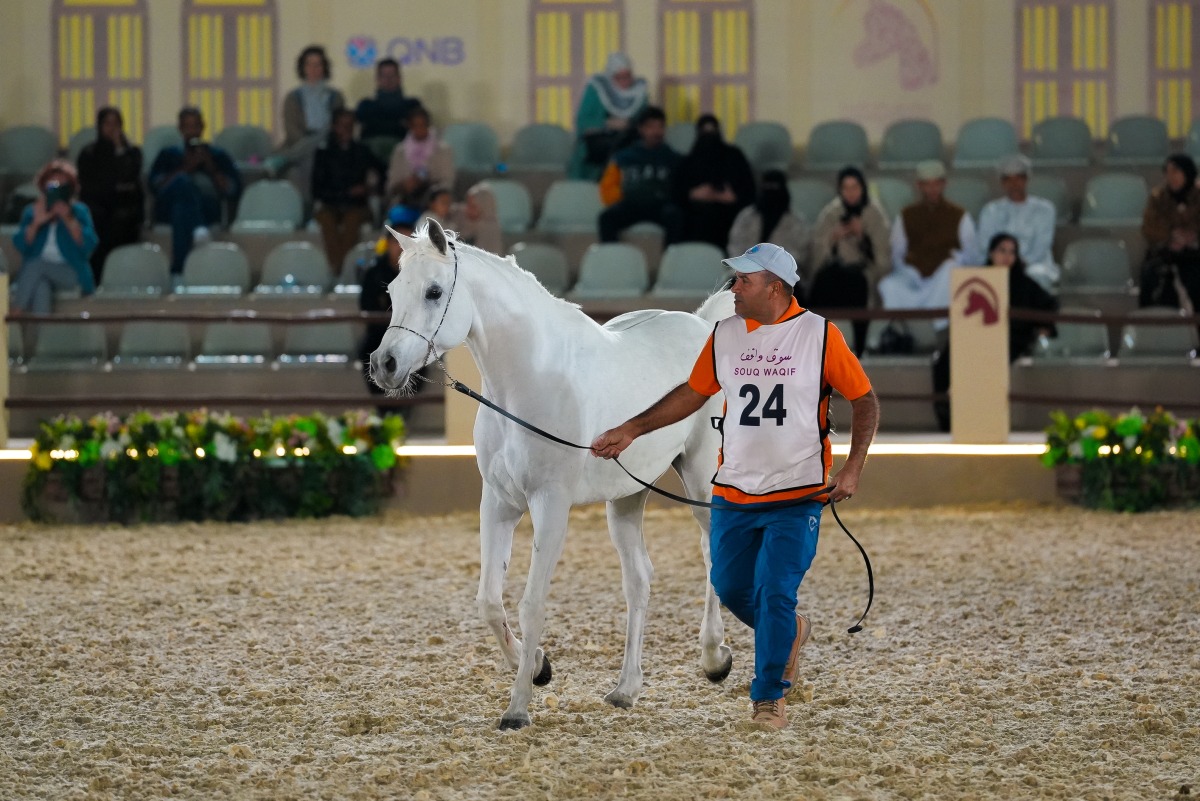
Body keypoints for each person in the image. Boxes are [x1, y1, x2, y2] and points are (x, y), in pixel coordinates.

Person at [590, 243, 879, 731]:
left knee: (775, 593)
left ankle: (768, 697)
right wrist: (632, 429)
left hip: (797, 494)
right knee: (729, 586)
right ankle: (790, 634)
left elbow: (865, 400)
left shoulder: (821, 336)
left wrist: (853, 468)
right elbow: (692, 393)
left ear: (776, 286)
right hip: (733, 492)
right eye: (734, 279)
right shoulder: (724, 335)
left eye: (744, 280)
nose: (733, 288)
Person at [931, 233, 1058, 431]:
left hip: (1011, 338)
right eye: (1002, 250)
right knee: (943, 363)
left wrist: (1044, 327)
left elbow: (1049, 304)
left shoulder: (1024, 283)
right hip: (972, 336)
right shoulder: (976, 279)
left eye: (1012, 252)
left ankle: (984, 421)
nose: (1007, 256)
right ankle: (948, 420)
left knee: (987, 363)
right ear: (991, 253)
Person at [809, 166, 892, 355]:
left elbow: (883, 258)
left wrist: (863, 236)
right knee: (821, 284)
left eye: (855, 187)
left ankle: (860, 349)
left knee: (856, 284)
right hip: (835, 271)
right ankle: (817, 349)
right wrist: (833, 239)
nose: (851, 193)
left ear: (863, 188)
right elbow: (817, 254)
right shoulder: (830, 214)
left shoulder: (875, 213)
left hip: (863, 272)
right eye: (846, 188)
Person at [148, 107, 241, 274]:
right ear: (180, 129)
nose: (192, 132)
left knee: (181, 211)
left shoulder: (217, 155)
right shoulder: (167, 155)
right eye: (187, 127)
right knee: (182, 187)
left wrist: (211, 168)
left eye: (196, 126)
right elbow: (156, 187)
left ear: (202, 127)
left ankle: (178, 271)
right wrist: (186, 168)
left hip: (207, 208)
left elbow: (232, 190)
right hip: (168, 209)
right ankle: (198, 228)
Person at [879, 159, 978, 314]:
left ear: (944, 184)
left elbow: (971, 256)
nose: (932, 189)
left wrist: (953, 260)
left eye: (936, 184)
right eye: (927, 184)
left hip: (944, 278)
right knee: (888, 286)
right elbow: (897, 254)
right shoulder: (906, 216)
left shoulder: (960, 216)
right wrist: (911, 272)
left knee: (950, 270)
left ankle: (934, 326)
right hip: (914, 278)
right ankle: (909, 329)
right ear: (919, 186)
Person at [10, 160, 99, 313]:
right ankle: (43, 334)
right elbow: (22, 246)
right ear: (44, 187)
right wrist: (37, 223)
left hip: (71, 273)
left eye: (62, 187)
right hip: (38, 273)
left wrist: (68, 219)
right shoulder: (32, 211)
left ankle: (13, 315)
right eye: (52, 186)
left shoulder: (79, 211)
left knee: (36, 265)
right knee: (41, 287)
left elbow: (88, 246)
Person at [360, 204, 420, 409]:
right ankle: (383, 407)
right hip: (380, 335)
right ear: (387, 243)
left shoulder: (422, 276)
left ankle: (404, 408)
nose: (401, 247)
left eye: (407, 241)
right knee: (368, 350)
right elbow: (366, 306)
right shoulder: (373, 274)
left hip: (413, 336)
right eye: (396, 241)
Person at [312, 108, 386, 273]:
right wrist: (344, 193)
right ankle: (340, 268)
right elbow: (317, 190)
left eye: (350, 126)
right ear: (334, 127)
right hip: (331, 204)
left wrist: (369, 189)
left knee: (352, 221)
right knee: (327, 222)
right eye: (342, 125)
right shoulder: (324, 153)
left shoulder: (362, 151)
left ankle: (339, 269)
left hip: (357, 205)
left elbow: (383, 171)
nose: (346, 130)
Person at [76, 106, 143, 284]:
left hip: (125, 209)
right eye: (107, 123)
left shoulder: (132, 153)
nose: (112, 128)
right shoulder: (88, 153)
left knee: (122, 222)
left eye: (116, 124)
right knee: (97, 222)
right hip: (97, 208)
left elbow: (129, 178)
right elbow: (89, 185)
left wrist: (119, 151)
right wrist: (115, 186)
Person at [598, 106, 684, 245]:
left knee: (675, 216)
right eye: (651, 127)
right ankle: (613, 261)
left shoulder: (673, 158)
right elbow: (607, 187)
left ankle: (670, 261)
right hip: (631, 205)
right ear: (641, 129)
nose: (656, 132)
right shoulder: (623, 157)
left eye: (660, 127)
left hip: (661, 206)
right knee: (606, 218)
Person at [975, 154, 1058, 292]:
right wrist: (1003, 262)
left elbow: (1041, 246)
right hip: (999, 264)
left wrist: (1019, 263)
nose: (1014, 184)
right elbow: (985, 243)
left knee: (1036, 277)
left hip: (1034, 264)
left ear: (1026, 180)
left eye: (1018, 178)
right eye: (1008, 179)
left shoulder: (1044, 209)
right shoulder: (991, 210)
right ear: (1002, 183)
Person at [672, 114, 756, 249]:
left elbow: (749, 190)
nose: (709, 136)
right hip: (695, 212)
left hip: (729, 211)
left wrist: (729, 197)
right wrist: (692, 194)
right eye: (705, 132)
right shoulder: (689, 161)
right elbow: (676, 191)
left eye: (712, 131)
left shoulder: (734, 157)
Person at [280, 45, 347, 205]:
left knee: (319, 151)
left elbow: (338, 126)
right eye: (309, 64)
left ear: (324, 67)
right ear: (303, 68)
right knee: (307, 161)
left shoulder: (335, 96)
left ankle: (285, 159)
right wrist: (312, 144)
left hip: (328, 143)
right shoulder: (293, 98)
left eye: (318, 64)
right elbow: (292, 131)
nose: (314, 69)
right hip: (302, 143)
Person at [567, 52, 649, 181]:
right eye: (619, 77)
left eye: (627, 76)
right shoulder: (596, 89)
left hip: (629, 143)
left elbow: (646, 120)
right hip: (598, 146)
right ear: (611, 77)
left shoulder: (638, 92)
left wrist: (629, 125)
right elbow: (582, 122)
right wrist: (608, 123)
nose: (625, 81)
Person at [728, 170, 811, 293]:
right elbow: (735, 247)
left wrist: (770, 270)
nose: (771, 194)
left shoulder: (796, 221)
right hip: (746, 273)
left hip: (782, 277)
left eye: (775, 188)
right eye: (767, 188)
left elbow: (799, 255)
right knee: (729, 289)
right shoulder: (746, 218)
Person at [1139, 152, 1200, 314]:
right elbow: (1149, 227)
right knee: (1151, 278)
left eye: (1176, 172)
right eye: (1167, 172)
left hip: (1195, 256)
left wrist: (1191, 236)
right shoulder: (1158, 198)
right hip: (1164, 256)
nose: (1171, 176)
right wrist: (1171, 235)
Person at [386, 106, 455, 207]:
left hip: (433, 201)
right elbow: (391, 185)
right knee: (397, 213)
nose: (419, 129)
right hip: (404, 199)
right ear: (409, 126)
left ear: (428, 125)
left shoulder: (442, 150)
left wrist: (423, 182)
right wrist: (404, 185)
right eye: (415, 126)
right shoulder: (400, 151)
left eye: (422, 125)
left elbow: (448, 183)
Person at [355, 57, 421, 142]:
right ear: (378, 79)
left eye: (391, 75)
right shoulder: (365, 105)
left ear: (399, 78)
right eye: (384, 76)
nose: (388, 79)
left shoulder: (412, 105)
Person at [446, 181, 503, 254]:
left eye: (473, 206)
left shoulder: (490, 228)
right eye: (467, 204)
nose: (467, 209)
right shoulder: (460, 215)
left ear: (485, 208)